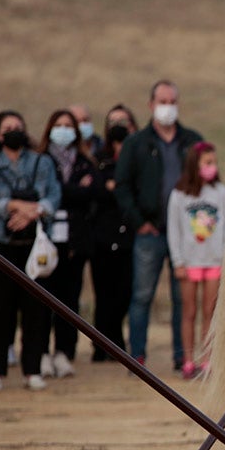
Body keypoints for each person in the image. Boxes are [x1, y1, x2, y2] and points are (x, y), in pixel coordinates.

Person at [114, 80, 203, 369]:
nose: (168, 106)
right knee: (142, 295)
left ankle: (182, 357)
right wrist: (139, 222)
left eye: (172, 101)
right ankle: (137, 356)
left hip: (186, 235)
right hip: (150, 232)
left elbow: (207, 181)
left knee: (183, 299)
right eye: (162, 101)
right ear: (151, 105)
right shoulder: (136, 143)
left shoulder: (192, 141)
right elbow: (123, 187)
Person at [0, 110, 61, 391]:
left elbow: (53, 195)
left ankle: (32, 370)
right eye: (8, 127)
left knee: (36, 310)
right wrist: (12, 206)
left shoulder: (42, 162)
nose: (14, 131)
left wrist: (33, 212)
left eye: (18, 126)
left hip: (33, 246)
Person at [36, 109, 99, 378]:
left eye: (68, 125)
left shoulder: (86, 162)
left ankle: (64, 352)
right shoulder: (41, 161)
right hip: (46, 240)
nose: (63, 129)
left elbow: (90, 194)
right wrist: (73, 190)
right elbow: (48, 194)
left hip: (75, 241)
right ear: (49, 128)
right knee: (41, 298)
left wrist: (63, 192)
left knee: (69, 300)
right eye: (58, 125)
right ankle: (39, 353)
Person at [167, 142, 225, 379]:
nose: (212, 167)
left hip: (214, 261)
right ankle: (187, 360)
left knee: (210, 311)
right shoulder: (179, 194)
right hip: (189, 261)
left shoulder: (221, 192)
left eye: (214, 163)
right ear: (195, 165)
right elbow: (173, 229)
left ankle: (207, 359)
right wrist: (178, 262)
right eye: (207, 163)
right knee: (189, 311)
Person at [89, 104, 138, 361]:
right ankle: (101, 345)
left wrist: (114, 187)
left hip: (130, 234)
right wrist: (115, 188)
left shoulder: (139, 155)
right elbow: (95, 189)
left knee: (125, 292)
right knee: (103, 292)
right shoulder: (99, 157)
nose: (119, 126)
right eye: (114, 121)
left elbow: (136, 191)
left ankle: (116, 342)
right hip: (103, 234)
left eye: (124, 121)